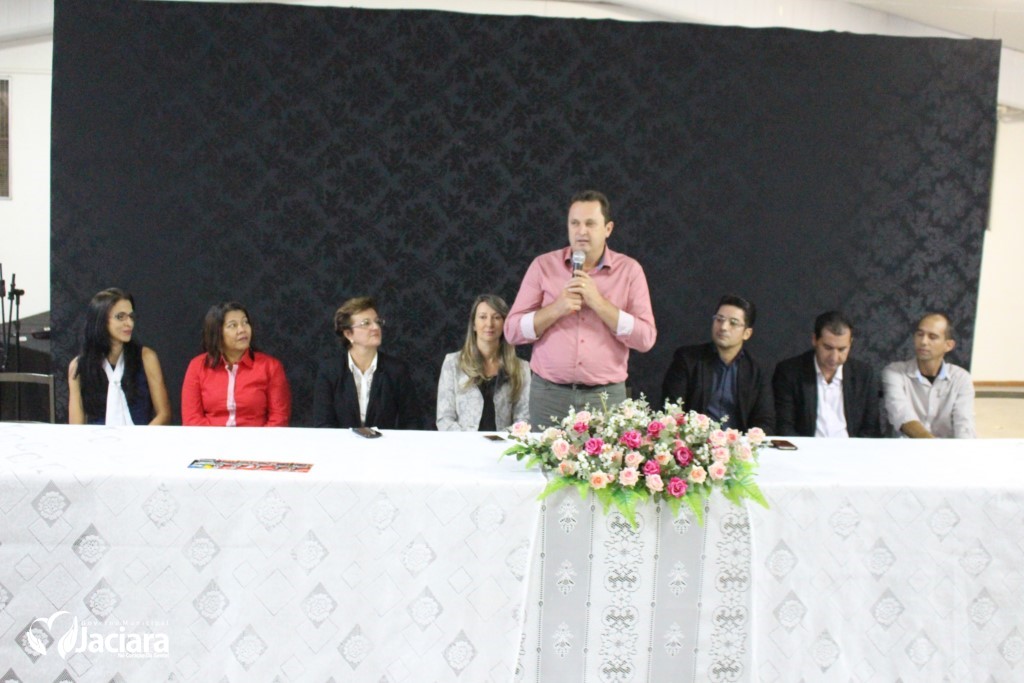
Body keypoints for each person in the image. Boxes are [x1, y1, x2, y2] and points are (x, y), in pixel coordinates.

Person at [504, 190, 656, 428]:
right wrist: (556, 309)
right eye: (574, 223)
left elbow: (645, 338)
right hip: (549, 396)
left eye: (590, 223)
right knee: (542, 455)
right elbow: (512, 331)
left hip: (605, 398)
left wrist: (599, 303)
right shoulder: (543, 266)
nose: (581, 231)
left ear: (608, 229)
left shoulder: (630, 271)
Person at [661, 294, 774, 432]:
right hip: (695, 440)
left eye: (733, 323)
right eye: (719, 319)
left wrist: (750, 440)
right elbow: (672, 409)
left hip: (739, 442)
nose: (723, 327)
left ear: (747, 333)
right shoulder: (688, 359)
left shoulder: (756, 370)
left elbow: (765, 420)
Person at [313, 296, 420, 429]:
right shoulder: (330, 371)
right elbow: (323, 423)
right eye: (366, 323)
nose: (375, 327)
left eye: (377, 322)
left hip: (385, 442)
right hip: (341, 442)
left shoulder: (396, 370)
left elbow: (412, 421)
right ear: (348, 334)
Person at [68, 288, 171, 425]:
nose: (129, 323)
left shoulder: (146, 357)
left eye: (131, 316)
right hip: (98, 438)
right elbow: (76, 427)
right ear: (101, 320)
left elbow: (164, 414)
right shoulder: (79, 366)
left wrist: (139, 437)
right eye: (120, 317)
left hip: (141, 436)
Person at [772, 311, 881, 437]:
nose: (834, 357)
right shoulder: (790, 372)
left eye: (842, 349)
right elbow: (784, 426)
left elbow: (871, 429)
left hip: (851, 448)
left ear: (850, 343)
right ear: (814, 340)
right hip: (804, 448)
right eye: (828, 348)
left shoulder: (864, 374)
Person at [181, 302, 291, 426]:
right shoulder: (197, 366)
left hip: (257, 438)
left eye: (245, 322)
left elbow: (279, 418)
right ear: (217, 333)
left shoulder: (271, 367)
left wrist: (256, 439)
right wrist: (215, 439)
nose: (242, 330)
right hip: (209, 438)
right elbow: (191, 419)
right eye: (233, 325)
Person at [437, 294, 530, 431]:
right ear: (474, 325)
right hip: (462, 443)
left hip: (504, 443)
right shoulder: (452, 363)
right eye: (482, 317)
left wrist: (500, 439)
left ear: (505, 324)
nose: (489, 324)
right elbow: (444, 419)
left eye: (496, 317)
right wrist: (470, 441)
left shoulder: (521, 368)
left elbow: (524, 419)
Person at [881, 312, 975, 438]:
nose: (923, 341)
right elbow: (901, 414)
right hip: (906, 447)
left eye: (932, 337)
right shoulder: (894, 372)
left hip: (948, 448)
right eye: (920, 334)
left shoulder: (961, 378)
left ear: (948, 345)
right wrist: (933, 445)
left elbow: (964, 423)